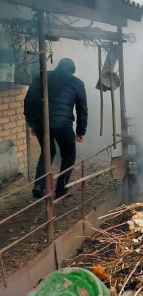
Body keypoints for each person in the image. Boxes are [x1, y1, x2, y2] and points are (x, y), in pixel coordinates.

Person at [24, 58, 88, 199]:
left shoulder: (41, 77)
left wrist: (33, 124)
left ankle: (39, 186)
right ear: (72, 70)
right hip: (63, 125)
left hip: (42, 124)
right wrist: (81, 131)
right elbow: (82, 109)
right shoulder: (77, 83)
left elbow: (28, 102)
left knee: (47, 152)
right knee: (68, 155)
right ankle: (61, 189)